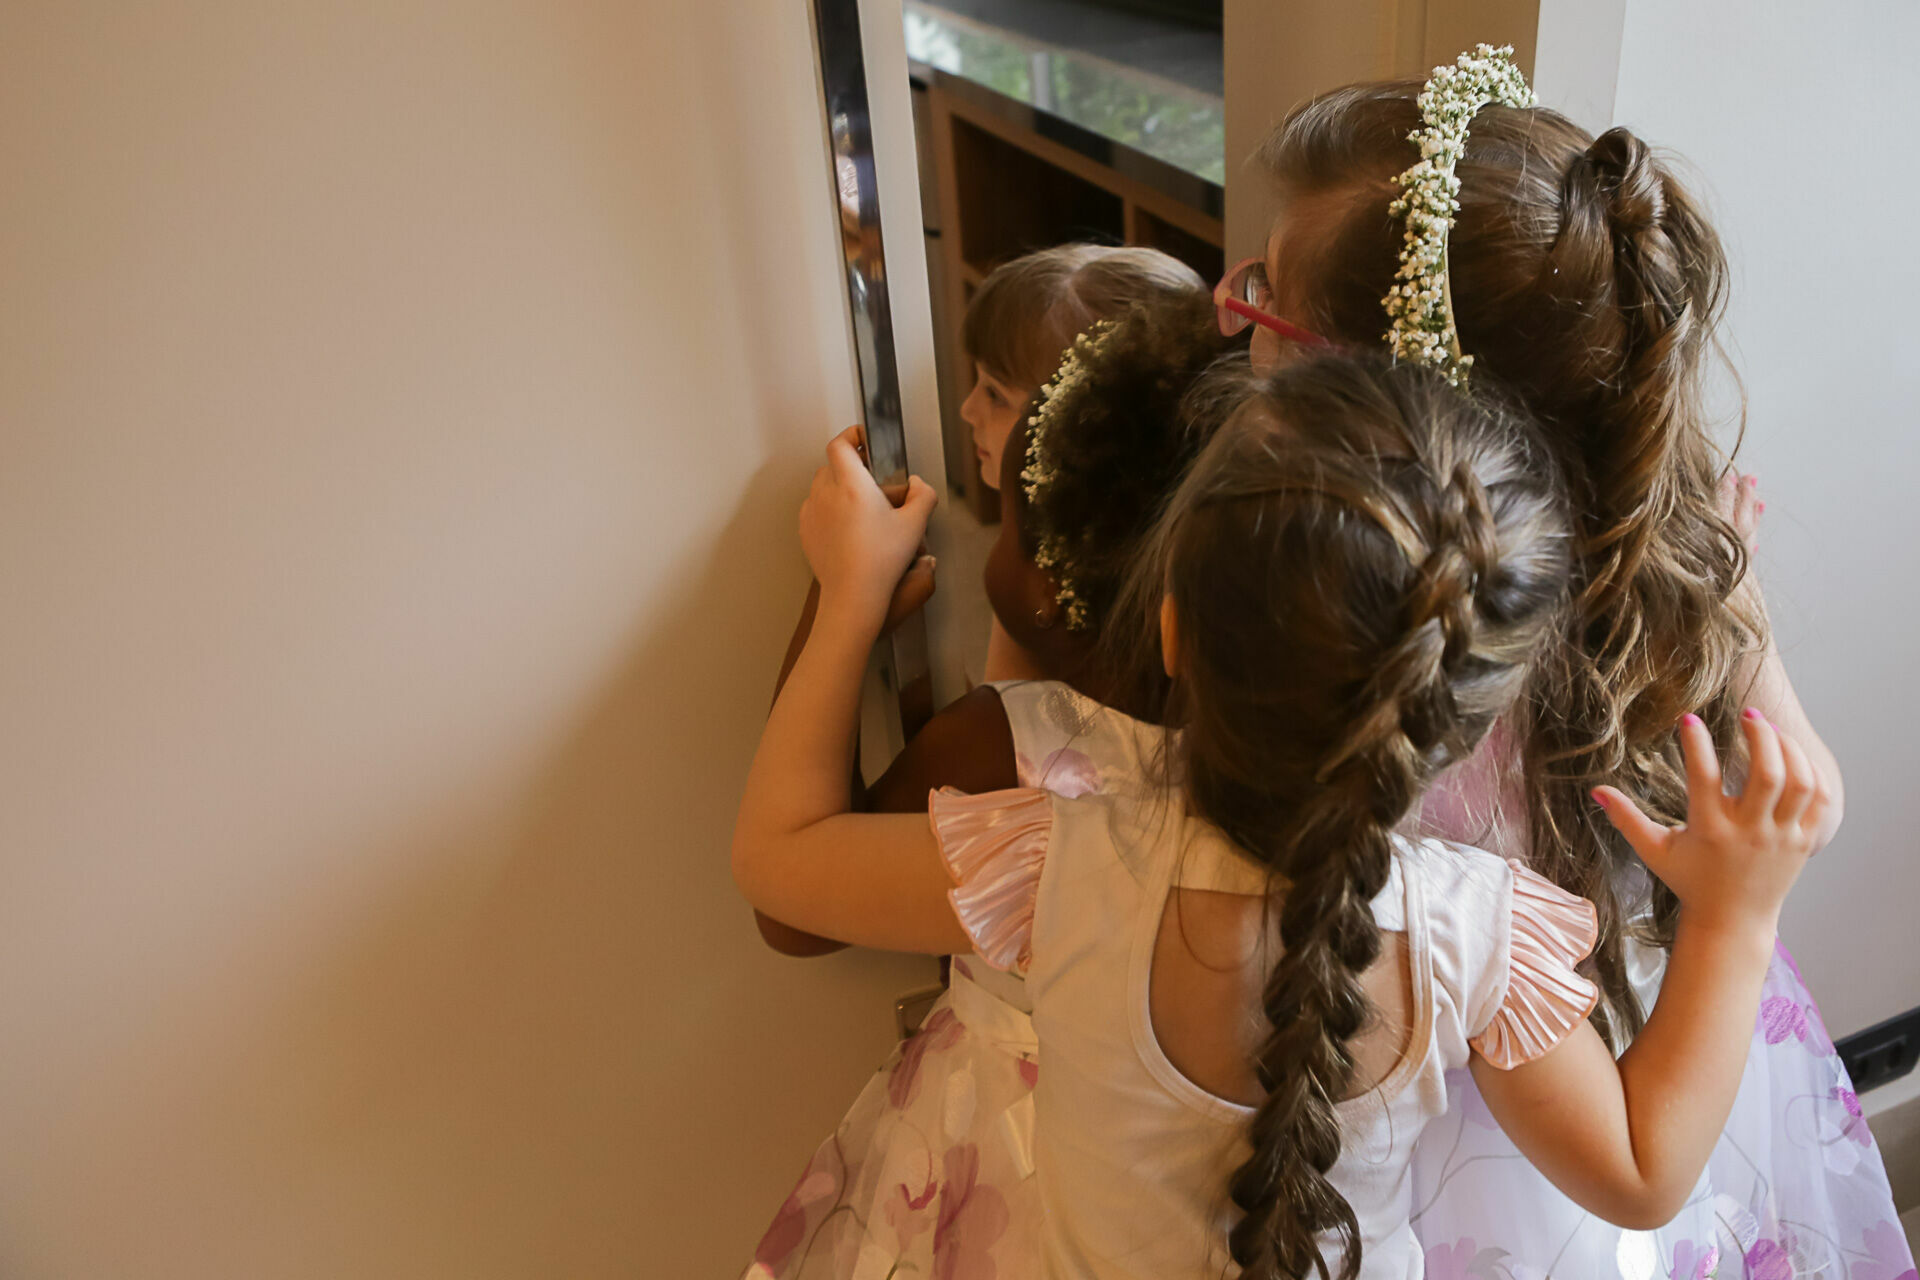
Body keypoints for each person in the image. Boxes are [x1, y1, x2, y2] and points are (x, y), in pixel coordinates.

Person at [733, 345, 1827, 1279]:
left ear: (1171, 632)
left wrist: (848, 596)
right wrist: (1735, 917)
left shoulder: (1048, 867)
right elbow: (1641, 1173)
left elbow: (780, 863)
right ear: (1469, 718)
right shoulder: (1474, 934)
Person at [1234, 44, 1902, 1274]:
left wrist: (1736, 916)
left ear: (1385, 401)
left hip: (1561, 1143)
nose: (1237, 323)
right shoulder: (1653, 517)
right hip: (1627, 1048)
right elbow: (1809, 783)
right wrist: (1737, 605)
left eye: (1265, 302)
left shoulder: (1398, 682)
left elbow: (1639, 1169)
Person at [744, 293, 1229, 1277]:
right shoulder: (1296, 759)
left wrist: (842, 598)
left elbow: (792, 907)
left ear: (1051, 590)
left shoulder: (1000, 748)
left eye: (1009, 524)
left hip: (1005, 1195)